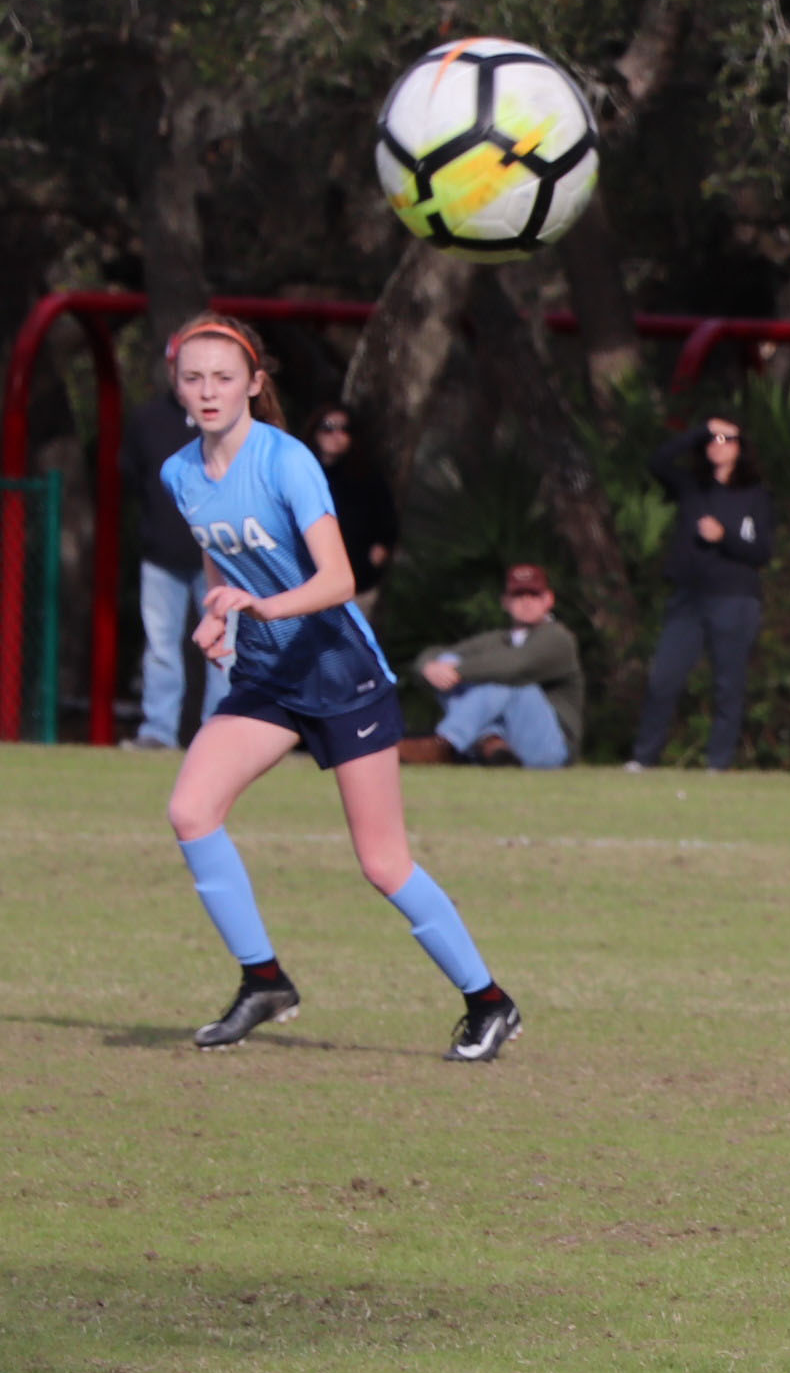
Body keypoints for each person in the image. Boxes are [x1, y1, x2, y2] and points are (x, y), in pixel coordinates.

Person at [156, 313, 521, 1061]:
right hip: (266, 674)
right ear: (178, 387)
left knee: (383, 861)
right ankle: (264, 980)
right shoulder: (179, 471)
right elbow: (220, 555)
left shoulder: (285, 460)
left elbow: (339, 579)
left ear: (255, 384)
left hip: (339, 673)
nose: (208, 390)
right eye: (193, 377)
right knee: (191, 809)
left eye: (224, 376)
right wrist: (217, 612)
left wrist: (260, 605)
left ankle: (489, 1001)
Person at [630, 413, 775, 771]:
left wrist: (724, 537)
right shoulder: (691, 485)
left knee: (728, 683)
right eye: (712, 441)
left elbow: (762, 552)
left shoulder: (755, 494)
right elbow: (657, 461)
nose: (717, 447)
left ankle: (718, 763)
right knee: (663, 677)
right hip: (688, 597)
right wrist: (701, 430)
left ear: (742, 449)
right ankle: (644, 757)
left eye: (727, 441)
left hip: (734, 597)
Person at [120, 382, 227, 747]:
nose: (205, 388)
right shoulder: (148, 420)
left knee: (224, 648)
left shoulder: (235, 425)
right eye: (190, 373)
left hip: (218, 557)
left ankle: (219, 735)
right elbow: (130, 479)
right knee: (161, 647)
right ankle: (158, 732)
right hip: (162, 558)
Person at [402, 563, 582, 769]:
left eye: (534, 595)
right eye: (519, 595)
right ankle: (492, 745)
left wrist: (456, 671)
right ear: (506, 601)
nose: (526, 601)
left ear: (548, 599)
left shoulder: (558, 638)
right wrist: (429, 667)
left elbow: (516, 666)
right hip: (512, 741)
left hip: (551, 746)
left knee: (509, 684)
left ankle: (447, 744)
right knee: (446, 663)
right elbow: (439, 654)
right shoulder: (499, 640)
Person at [308, 403, 399, 617]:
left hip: (357, 583)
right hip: (307, 584)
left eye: (344, 429)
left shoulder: (366, 475)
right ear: (315, 432)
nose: (336, 435)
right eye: (328, 428)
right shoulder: (301, 473)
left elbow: (387, 521)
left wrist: (379, 552)